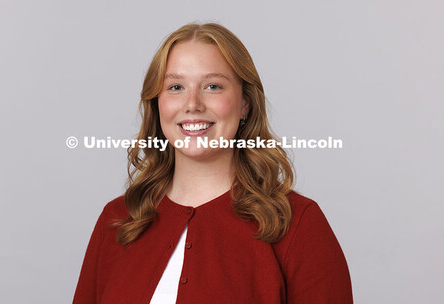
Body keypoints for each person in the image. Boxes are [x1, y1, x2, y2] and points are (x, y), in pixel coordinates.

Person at [72, 22, 353, 304]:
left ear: (245, 103)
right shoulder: (118, 219)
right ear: (157, 104)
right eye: (176, 87)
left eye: (213, 86)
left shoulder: (297, 223)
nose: (192, 103)